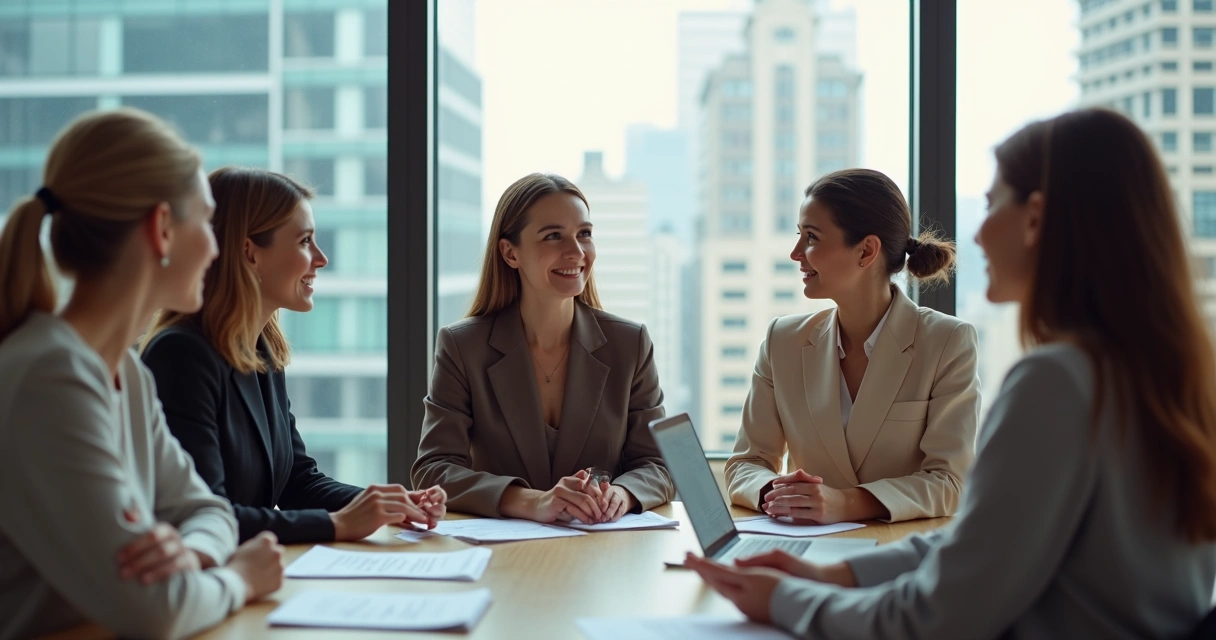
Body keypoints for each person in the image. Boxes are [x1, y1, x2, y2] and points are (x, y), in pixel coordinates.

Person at [688, 108, 1216, 639]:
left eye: (989, 205)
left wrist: (790, 602)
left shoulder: (1056, 383)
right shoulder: (1161, 372)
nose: (978, 234)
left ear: (1035, 218)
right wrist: (832, 574)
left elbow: (936, 616)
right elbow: (987, 540)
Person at [0, 108, 285, 639]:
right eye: (205, 221)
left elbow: (208, 509)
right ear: (161, 229)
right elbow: (155, 610)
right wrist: (239, 578)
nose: (218, 247)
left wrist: (193, 551)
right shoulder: (50, 378)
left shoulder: (126, 372)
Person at [142, 167, 445, 545]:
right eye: (305, 241)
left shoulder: (262, 350)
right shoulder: (181, 357)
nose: (321, 259)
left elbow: (298, 481)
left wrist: (388, 504)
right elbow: (207, 515)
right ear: (250, 253)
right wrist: (339, 525)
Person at [412, 173, 675, 523]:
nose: (577, 252)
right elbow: (434, 469)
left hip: (601, 547)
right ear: (510, 252)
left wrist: (622, 494)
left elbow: (658, 463)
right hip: (505, 557)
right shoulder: (462, 347)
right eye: (554, 236)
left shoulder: (630, 344)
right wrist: (532, 501)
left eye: (584, 234)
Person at [725, 168, 980, 524]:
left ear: (866, 251)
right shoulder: (782, 340)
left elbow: (950, 482)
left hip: (900, 554)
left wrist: (844, 504)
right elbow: (747, 464)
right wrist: (778, 493)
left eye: (811, 237)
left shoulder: (947, 342)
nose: (796, 253)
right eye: (799, 235)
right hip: (803, 548)